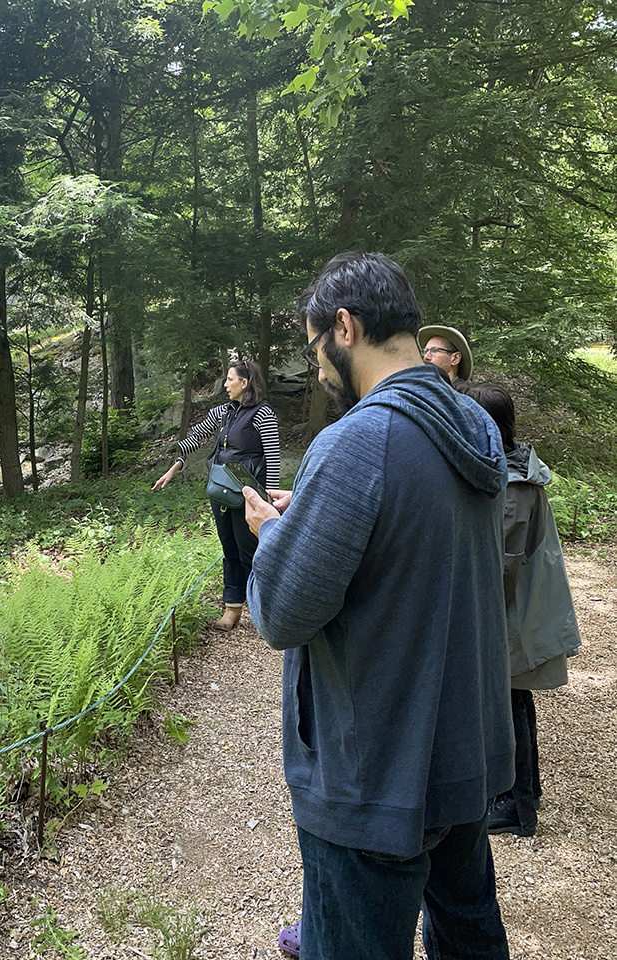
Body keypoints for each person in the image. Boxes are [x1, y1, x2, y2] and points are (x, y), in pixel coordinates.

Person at [244, 252, 513, 960]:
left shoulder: (359, 439)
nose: (319, 368)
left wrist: (274, 535)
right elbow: (414, 540)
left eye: (314, 349)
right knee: (468, 929)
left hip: (376, 770)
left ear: (344, 326)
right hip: (459, 750)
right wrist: (317, 518)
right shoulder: (471, 424)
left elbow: (281, 614)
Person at [464, 385, 583, 838]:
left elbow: (502, 568)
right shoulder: (511, 469)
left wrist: (473, 615)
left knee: (505, 704)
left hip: (511, 617)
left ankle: (516, 805)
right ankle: (523, 793)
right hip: (515, 613)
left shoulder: (512, 484)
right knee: (514, 700)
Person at [152, 360, 283, 629]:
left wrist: (270, 501)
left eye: (230, 379)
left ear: (244, 383)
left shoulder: (263, 414)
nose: (225, 384)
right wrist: (173, 468)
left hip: (249, 495)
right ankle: (233, 609)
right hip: (221, 493)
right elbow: (196, 437)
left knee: (254, 550)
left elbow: (273, 457)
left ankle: (269, 609)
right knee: (229, 547)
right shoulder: (223, 412)